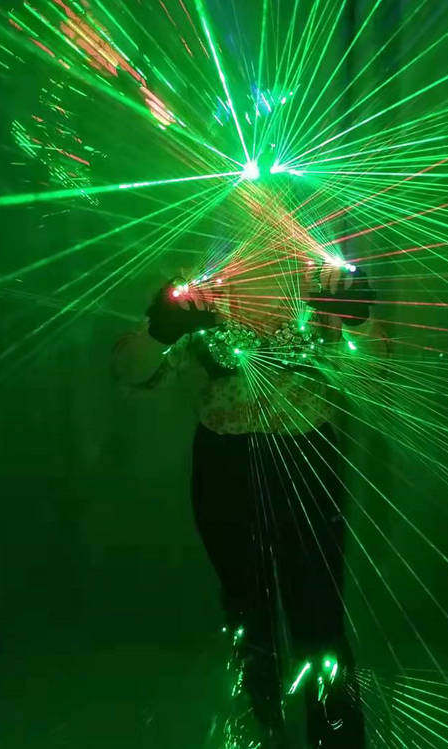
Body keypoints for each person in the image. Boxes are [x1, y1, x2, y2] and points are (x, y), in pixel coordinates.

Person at [112, 231, 384, 747]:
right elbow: (131, 372)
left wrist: (358, 319)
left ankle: (335, 739)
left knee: (318, 614)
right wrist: (162, 329)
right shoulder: (199, 285)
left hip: (306, 457)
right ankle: (262, 732)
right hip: (225, 462)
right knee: (247, 611)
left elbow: (375, 370)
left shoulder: (319, 274)